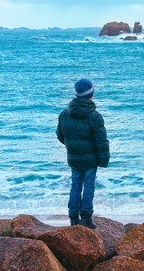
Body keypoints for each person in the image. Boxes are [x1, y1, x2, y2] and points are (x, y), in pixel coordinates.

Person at [56, 79, 110, 229]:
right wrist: (103, 160)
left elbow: (61, 135)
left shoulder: (64, 114)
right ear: (91, 95)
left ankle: (73, 217)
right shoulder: (95, 117)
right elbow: (101, 142)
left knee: (75, 185)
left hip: (73, 158)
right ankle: (86, 217)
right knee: (89, 185)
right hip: (90, 159)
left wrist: (71, 147)